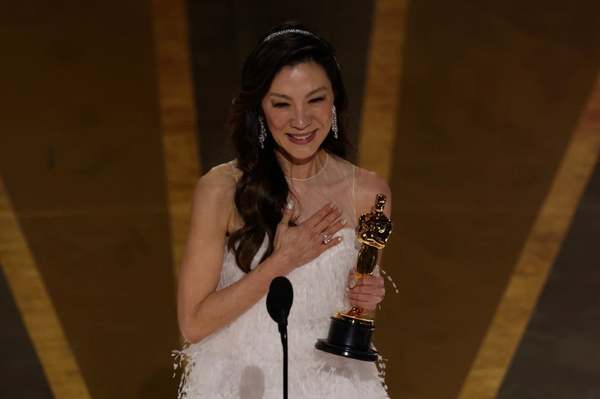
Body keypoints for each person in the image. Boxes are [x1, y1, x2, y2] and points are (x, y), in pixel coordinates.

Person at [174, 22, 392, 398]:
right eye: (281, 104)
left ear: (335, 102)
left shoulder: (368, 193)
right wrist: (280, 262)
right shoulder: (221, 190)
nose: (301, 120)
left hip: (335, 386)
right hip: (244, 384)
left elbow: (355, 320)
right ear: (259, 109)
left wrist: (366, 298)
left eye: (315, 99)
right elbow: (192, 324)